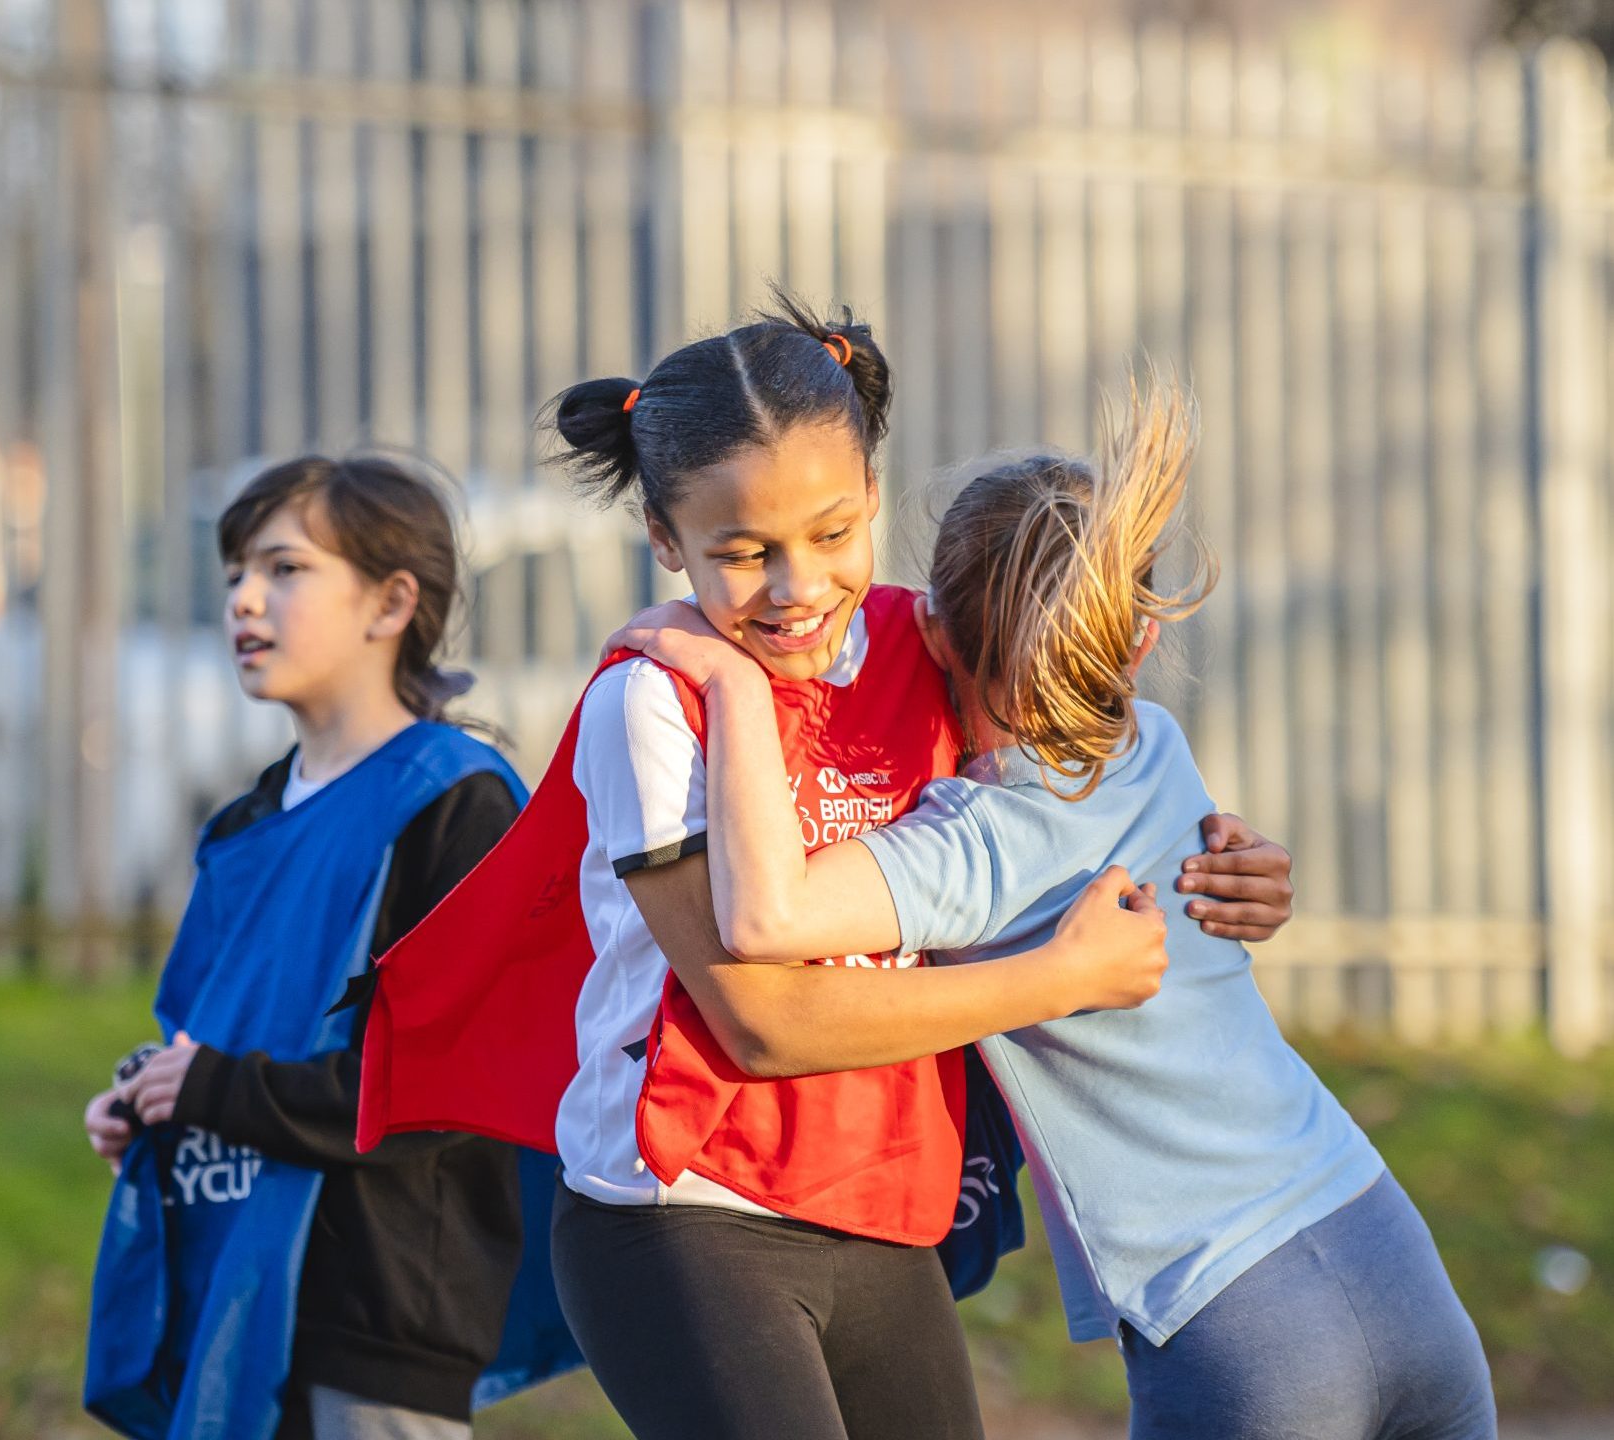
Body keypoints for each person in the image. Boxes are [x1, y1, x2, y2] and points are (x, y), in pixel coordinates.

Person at [358, 294, 1295, 1440]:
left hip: (883, 1206)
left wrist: (1224, 865)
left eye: (833, 533)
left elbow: (1070, 794)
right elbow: (760, 1024)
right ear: (664, 540)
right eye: (743, 554)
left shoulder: (932, 640)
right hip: (682, 1216)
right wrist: (1060, 979)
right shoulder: (650, 703)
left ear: (871, 499)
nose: (797, 588)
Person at [613, 378, 1495, 1440]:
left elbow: (764, 919)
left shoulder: (979, 843)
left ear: (934, 637)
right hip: (1389, 1252)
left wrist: (732, 685)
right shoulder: (1157, 749)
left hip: (1236, 1323)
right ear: (1130, 645)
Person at [82, 455, 575, 1440]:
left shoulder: (455, 804)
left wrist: (213, 1089)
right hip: (232, 1302)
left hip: (375, 1328)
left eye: (283, 569)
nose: (244, 600)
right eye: (233, 577)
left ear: (391, 602)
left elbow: (448, 1084)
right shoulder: (244, 825)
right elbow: (219, 1037)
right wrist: (151, 1095)